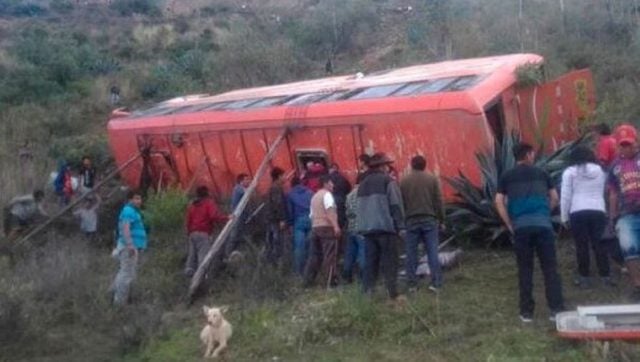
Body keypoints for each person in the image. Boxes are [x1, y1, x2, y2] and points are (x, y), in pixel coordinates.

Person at [495, 143, 565, 323]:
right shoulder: (542, 174)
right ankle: (556, 309)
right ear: (528, 155)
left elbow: (498, 201)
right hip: (543, 226)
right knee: (550, 268)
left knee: (525, 269)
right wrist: (544, 214)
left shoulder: (506, 176)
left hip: (521, 228)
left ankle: (526, 312)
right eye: (532, 153)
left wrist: (509, 223)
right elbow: (555, 197)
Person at [560, 146, 613, 288]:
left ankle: (584, 277)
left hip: (577, 210)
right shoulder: (601, 171)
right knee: (600, 244)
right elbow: (605, 192)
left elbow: (565, 196)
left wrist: (564, 216)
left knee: (581, 245)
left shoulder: (569, 172)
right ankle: (606, 276)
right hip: (597, 209)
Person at [357, 152, 405, 301]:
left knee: (371, 262)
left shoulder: (362, 184)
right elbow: (395, 205)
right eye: (387, 165)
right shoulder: (387, 181)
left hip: (368, 230)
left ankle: (367, 292)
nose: (388, 168)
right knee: (390, 261)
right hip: (385, 227)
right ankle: (392, 293)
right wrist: (400, 226)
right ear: (382, 166)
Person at [400, 155, 445, 293]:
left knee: (411, 253)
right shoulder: (432, 179)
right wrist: (441, 219)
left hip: (411, 220)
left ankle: (412, 284)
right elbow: (438, 200)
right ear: (424, 165)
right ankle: (435, 283)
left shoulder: (404, 181)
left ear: (412, 165)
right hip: (429, 219)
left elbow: (401, 202)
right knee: (432, 252)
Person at [608, 124, 640, 301]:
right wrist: (612, 216)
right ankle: (637, 285)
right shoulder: (615, 167)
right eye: (623, 144)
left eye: (629, 144)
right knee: (629, 249)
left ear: (636, 142)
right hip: (626, 212)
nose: (626, 148)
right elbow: (612, 192)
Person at [304, 175, 341, 287]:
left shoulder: (314, 197)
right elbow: (330, 211)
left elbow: (311, 215)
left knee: (315, 256)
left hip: (315, 228)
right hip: (327, 228)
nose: (333, 185)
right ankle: (330, 282)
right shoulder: (327, 195)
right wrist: (336, 226)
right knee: (330, 255)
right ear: (325, 183)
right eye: (331, 183)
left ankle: (308, 281)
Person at [111, 190, 147, 306]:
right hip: (129, 247)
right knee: (126, 274)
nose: (138, 201)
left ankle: (116, 295)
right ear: (129, 200)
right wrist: (130, 245)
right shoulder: (128, 211)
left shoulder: (134, 212)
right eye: (136, 198)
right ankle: (119, 302)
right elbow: (126, 228)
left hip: (132, 247)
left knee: (128, 273)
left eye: (139, 199)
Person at [185, 186, 230, 277]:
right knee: (203, 255)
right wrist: (226, 218)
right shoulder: (208, 203)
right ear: (207, 193)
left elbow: (188, 220)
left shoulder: (192, 204)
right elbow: (213, 216)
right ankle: (201, 276)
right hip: (203, 232)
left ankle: (189, 271)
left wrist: (189, 232)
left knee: (192, 254)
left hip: (192, 233)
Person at [287, 176, 313, 276]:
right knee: (311, 246)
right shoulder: (310, 192)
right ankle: (311, 270)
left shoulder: (290, 194)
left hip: (299, 222)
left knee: (299, 247)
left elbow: (290, 211)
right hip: (311, 220)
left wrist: (290, 224)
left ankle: (299, 272)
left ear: (292, 184)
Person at [342, 177, 365, 284]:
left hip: (351, 227)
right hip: (361, 227)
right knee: (362, 252)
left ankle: (347, 275)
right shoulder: (363, 194)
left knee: (350, 253)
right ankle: (362, 276)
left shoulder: (349, 195)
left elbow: (347, 213)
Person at [265, 167, 288, 266]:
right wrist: (282, 219)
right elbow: (278, 204)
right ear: (279, 176)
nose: (285, 177)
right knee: (277, 241)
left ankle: (270, 262)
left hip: (271, 219)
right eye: (284, 175)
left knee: (271, 241)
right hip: (276, 220)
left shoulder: (272, 187)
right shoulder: (276, 188)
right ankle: (276, 264)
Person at [225, 173, 251, 257]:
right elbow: (247, 192)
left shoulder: (241, 189)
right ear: (241, 181)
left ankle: (236, 254)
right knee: (234, 234)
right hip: (237, 216)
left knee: (239, 235)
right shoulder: (238, 189)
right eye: (246, 180)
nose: (248, 181)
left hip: (241, 216)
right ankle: (228, 254)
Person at [328, 163, 352, 230]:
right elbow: (348, 188)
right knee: (343, 218)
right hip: (342, 199)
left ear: (331, 169)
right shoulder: (343, 178)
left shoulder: (328, 179)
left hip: (332, 200)